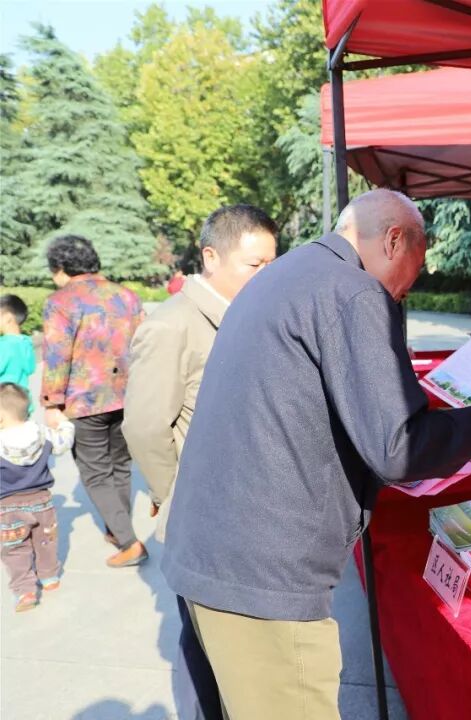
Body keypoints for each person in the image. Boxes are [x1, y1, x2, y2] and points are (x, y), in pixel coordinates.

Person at [161, 189, 471, 719]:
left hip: (212, 554)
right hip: (266, 578)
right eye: (412, 271)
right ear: (394, 240)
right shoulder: (353, 291)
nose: (406, 289)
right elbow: (397, 448)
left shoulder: (287, 274)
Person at [123, 205, 278, 720]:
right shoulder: (172, 325)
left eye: (271, 263)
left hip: (244, 508)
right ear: (211, 257)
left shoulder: (246, 313)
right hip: (204, 514)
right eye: (254, 264)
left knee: (237, 646)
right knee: (206, 643)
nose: (266, 275)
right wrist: (174, 495)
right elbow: (145, 428)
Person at [41, 235, 146, 567]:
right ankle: (117, 529)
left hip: (85, 400)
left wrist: (52, 404)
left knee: (96, 472)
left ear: (61, 268)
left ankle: (129, 543)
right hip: (128, 394)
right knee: (121, 465)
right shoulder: (126, 296)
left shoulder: (60, 301)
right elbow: (144, 344)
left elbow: (57, 355)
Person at [0, 383, 74, 612]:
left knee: (15, 549)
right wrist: (64, 423)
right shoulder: (41, 433)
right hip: (42, 501)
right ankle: (49, 577)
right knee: (46, 541)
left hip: (8, 507)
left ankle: (25, 591)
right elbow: (64, 442)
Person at [0, 294, 36, 414]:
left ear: (8, 318)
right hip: (23, 406)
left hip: (5, 408)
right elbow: (31, 369)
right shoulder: (26, 343)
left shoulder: (4, 345)